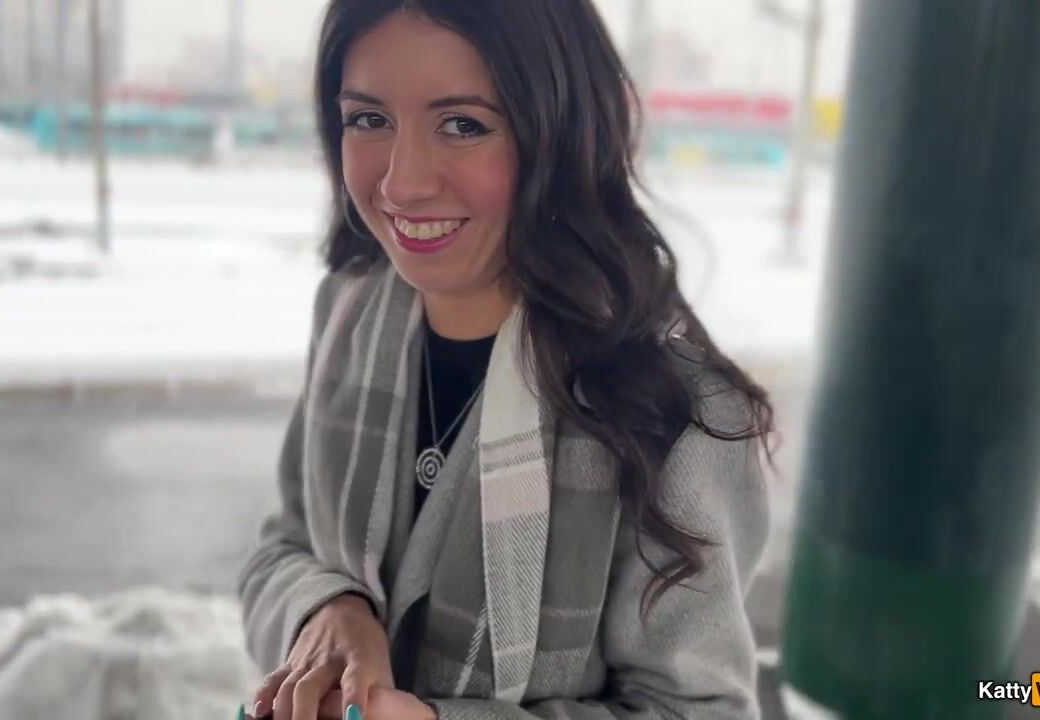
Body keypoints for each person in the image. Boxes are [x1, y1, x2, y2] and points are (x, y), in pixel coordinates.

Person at [237, 1, 775, 718]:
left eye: (463, 125)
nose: (401, 183)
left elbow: (697, 711)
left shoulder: (671, 407)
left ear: (560, 134)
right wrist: (329, 610)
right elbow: (283, 545)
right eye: (368, 119)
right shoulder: (347, 316)